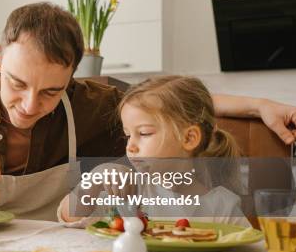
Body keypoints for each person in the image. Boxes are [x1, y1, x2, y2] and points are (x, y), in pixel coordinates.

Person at [0, 2, 296, 221]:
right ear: (0, 57)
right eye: (18, 85)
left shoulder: (93, 105)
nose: (29, 106)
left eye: (49, 92)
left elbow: (169, 106)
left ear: (73, 77)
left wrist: (259, 105)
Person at [58, 75, 250, 227]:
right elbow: (69, 216)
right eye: (128, 136)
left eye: (144, 133)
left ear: (190, 138)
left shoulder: (222, 207)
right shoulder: (130, 190)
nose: (130, 146)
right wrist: (95, 178)